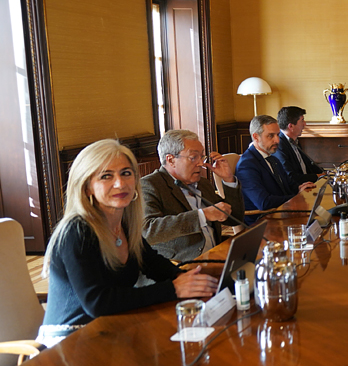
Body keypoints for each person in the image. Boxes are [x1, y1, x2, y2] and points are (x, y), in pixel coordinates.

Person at [39, 139, 219, 346]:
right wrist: (174, 289)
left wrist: (192, 281)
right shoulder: (77, 231)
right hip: (71, 341)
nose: (120, 183)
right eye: (106, 176)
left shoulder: (123, 223)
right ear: (87, 187)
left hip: (113, 327)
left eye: (126, 173)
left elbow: (152, 264)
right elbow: (98, 302)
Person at [141, 130, 245, 262]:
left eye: (202, 157)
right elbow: (149, 231)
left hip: (215, 257)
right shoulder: (149, 185)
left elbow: (234, 219)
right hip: (180, 267)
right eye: (193, 157)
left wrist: (228, 180)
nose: (201, 163)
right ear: (171, 160)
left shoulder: (203, 183)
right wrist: (203, 215)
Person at [236, 115, 316, 225]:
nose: (277, 140)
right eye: (270, 136)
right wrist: (296, 197)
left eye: (278, 135)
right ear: (256, 137)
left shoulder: (272, 159)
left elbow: (288, 184)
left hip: (282, 214)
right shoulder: (247, 165)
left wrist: (300, 187)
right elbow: (264, 202)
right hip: (263, 223)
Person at [273, 106, 325, 187]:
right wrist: (318, 176)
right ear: (291, 126)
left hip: (307, 185)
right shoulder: (279, 146)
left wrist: (326, 174)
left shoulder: (294, 141)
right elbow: (290, 176)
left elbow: (309, 165)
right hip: (295, 191)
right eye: (302, 121)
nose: (305, 124)